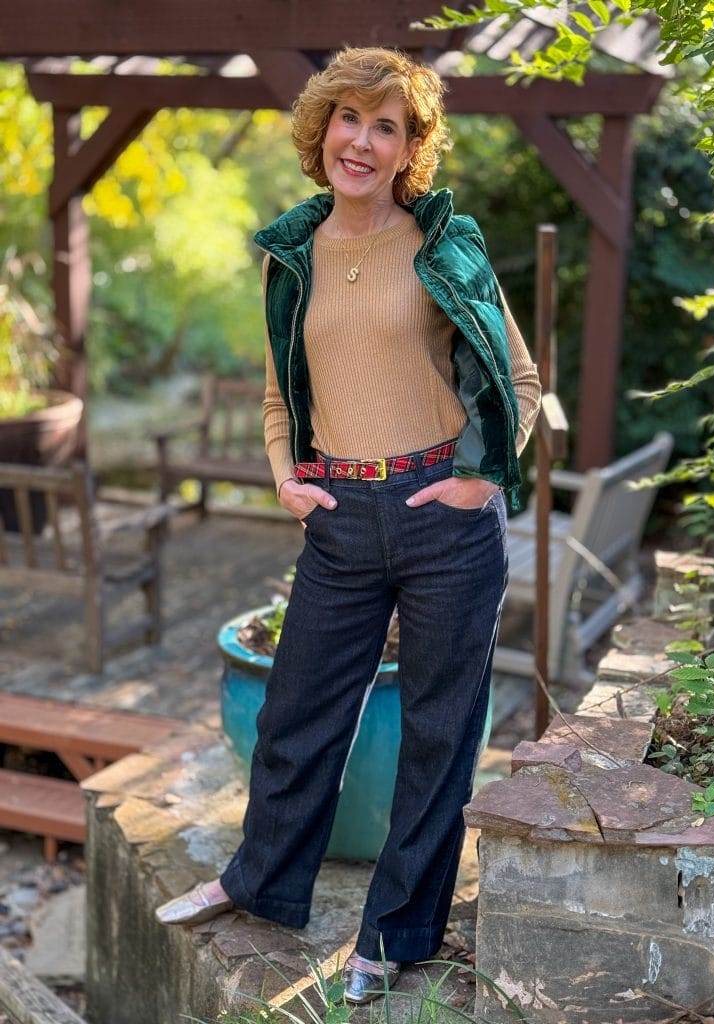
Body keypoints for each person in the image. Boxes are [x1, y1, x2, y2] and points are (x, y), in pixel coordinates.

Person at [156, 45, 542, 1004]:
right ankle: (257, 884)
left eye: (387, 127)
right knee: (295, 715)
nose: (361, 142)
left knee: (438, 734)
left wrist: (478, 479)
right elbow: (280, 396)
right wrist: (288, 480)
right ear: (320, 128)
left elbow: (520, 382)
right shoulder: (293, 253)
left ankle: (394, 935)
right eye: (348, 119)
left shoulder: (446, 247)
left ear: (410, 149)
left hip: (441, 516)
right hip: (338, 514)